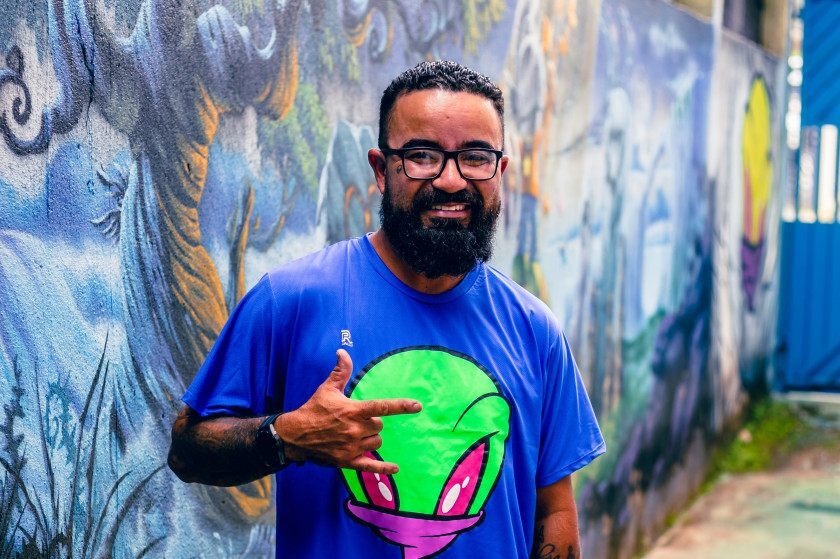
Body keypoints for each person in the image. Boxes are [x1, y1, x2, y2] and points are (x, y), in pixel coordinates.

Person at [168, 60, 605, 559]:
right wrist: (288, 437)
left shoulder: (534, 330)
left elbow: (554, 509)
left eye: (475, 157)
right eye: (422, 156)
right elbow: (187, 451)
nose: (451, 180)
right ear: (381, 170)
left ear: (499, 171)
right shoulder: (289, 300)